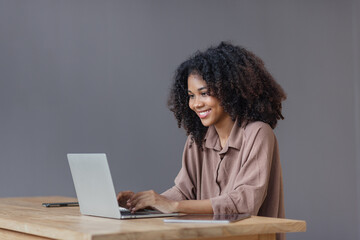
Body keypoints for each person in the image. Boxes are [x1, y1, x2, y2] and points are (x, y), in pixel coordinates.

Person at [117, 42, 286, 222]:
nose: (196, 104)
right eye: (191, 95)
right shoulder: (197, 139)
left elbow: (245, 201)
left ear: (229, 91)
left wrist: (173, 206)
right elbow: (183, 191)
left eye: (204, 93)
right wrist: (143, 203)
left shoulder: (258, 133)